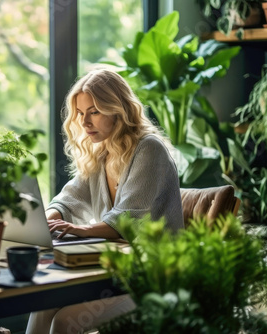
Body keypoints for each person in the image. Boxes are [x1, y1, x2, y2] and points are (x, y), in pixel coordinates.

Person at [25, 68, 184, 334]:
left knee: (65, 322)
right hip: (115, 275)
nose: (85, 122)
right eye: (80, 113)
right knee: (42, 305)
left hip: (154, 282)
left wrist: (80, 230)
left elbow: (128, 220)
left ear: (117, 109)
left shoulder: (149, 149)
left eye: (94, 111)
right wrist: (42, 224)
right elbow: (68, 200)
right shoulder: (101, 153)